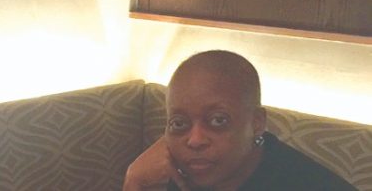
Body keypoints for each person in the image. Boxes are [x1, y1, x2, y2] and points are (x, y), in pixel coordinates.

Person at [122, 50, 357, 191]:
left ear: (257, 123)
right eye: (179, 123)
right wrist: (134, 181)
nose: (195, 140)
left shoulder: (309, 184)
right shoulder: (182, 172)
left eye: (218, 120)